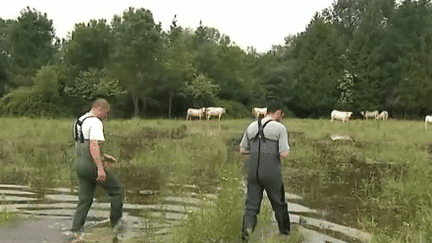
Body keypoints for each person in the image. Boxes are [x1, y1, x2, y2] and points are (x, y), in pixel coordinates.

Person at [68, 98, 125, 240]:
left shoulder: (80, 121)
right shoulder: (96, 122)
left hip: (80, 165)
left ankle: (76, 231)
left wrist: (104, 156)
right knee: (117, 190)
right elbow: (93, 145)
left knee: (85, 199)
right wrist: (100, 168)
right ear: (101, 108)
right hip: (92, 165)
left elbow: (84, 145)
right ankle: (116, 225)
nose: (107, 116)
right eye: (106, 112)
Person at [239, 101, 290, 241]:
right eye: (281, 115)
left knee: (251, 209)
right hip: (271, 172)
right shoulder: (280, 128)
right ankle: (285, 235)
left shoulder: (251, 126)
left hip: (253, 173)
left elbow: (242, 150)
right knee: (279, 205)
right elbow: (284, 154)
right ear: (278, 113)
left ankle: (245, 238)